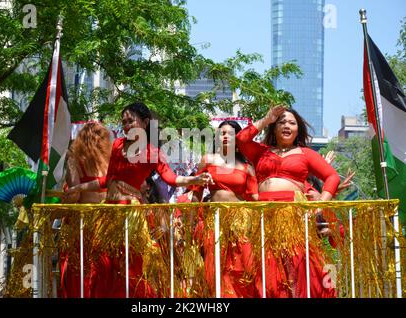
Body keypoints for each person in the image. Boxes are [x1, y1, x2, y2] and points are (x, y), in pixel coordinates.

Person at [65, 102, 213, 298]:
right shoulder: (117, 145)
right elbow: (107, 180)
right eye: (123, 121)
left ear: (144, 123)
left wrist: (194, 179)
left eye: (130, 121)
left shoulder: (153, 153)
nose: (126, 125)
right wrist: (78, 187)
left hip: (130, 217)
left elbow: (171, 178)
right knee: (103, 267)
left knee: (130, 269)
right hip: (108, 214)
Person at [236, 105, 340, 298]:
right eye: (281, 122)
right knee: (266, 269)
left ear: (297, 129)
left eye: (292, 123)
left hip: (293, 218)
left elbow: (332, 177)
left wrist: (319, 204)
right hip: (264, 217)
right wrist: (265, 119)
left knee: (299, 267)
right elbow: (241, 139)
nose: (286, 125)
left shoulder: (305, 154)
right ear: (274, 128)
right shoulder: (261, 152)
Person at [192, 120, 259, 298]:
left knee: (243, 263)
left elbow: (255, 198)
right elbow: (196, 192)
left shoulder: (247, 166)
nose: (225, 136)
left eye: (230, 134)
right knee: (215, 263)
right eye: (222, 133)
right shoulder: (207, 160)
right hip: (214, 219)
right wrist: (190, 218)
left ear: (238, 139)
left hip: (241, 221)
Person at [59, 122, 112, 298]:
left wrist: (64, 196)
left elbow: (74, 195)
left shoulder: (74, 158)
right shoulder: (111, 159)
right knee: (106, 273)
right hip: (107, 224)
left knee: (80, 275)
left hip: (83, 225)